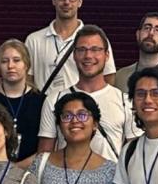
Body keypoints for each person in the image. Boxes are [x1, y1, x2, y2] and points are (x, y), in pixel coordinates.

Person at [34, 26, 133, 160]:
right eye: (82, 50)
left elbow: (134, 155)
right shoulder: (54, 100)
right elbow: (44, 156)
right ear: (74, 55)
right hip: (66, 172)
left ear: (107, 55)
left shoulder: (125, 101)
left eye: (95, 49)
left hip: (112, 173)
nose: (88, 56)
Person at [25, 0, 117, 98]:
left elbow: (108, 76)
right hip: (45, 105)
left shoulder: (98, 39)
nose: (66, 2)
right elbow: (28, 79)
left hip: (82, 107)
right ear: (53, 0)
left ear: (80, 2)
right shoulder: (34, 40)